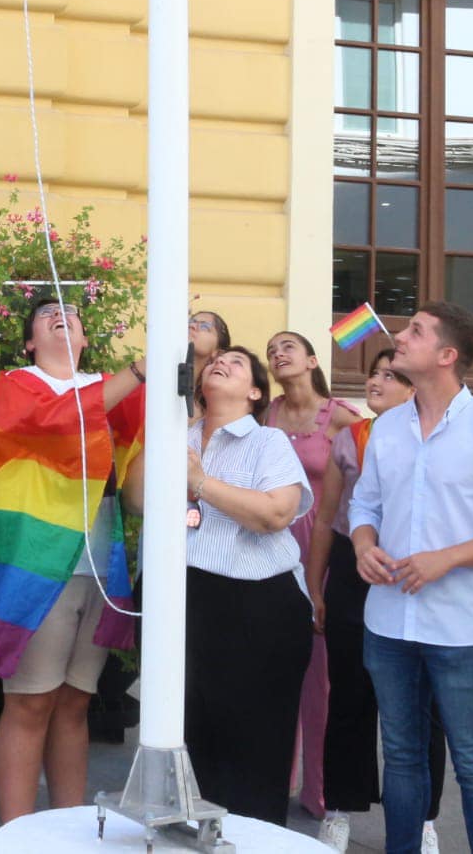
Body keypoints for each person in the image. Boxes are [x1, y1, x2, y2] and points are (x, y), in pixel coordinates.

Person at [349, 303, 473, 854]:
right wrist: (363, 545)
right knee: (401, 758)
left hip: (461, 629)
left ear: (447, 355)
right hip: (388, 622)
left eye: (416, 331)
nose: (400, 336)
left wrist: (446, 558)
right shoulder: (387, 428)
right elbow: (365, 504)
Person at [0, 295, 145, 824]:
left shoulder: (107, 388)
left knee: (75, 703)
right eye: (45, 314)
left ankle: (68, 831)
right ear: (30, 342)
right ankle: (16, 837)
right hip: (37, 566)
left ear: (85, 338)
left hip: (100, 567)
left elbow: (148, 427)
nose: (59, 315)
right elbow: (59, 418)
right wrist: (140, 370)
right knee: (29, 703)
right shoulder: (18, 383)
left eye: (70, 313)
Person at [307, 347, 446, 854]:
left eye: (391, 375)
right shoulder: (352, 437)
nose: (376, 382)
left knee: (423, 701)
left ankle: (423, 817)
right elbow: (326, 518)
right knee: (350, 693)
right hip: (354, 566)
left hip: (416, 567)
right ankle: (339, 809)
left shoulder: (437, 437)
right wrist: (316, 585)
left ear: (413, 388)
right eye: (373, 374)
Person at [181, 344, 314, 824]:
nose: (221, 362)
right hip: (187, 596)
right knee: (191, 736)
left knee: (255, 745)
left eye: (236, 363)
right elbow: (136, 500)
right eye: (217, 361)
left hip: (259, 605)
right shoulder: (178, 435)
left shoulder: (267, 442)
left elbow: (276, 513)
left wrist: (200, 483)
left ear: (256, 393)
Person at [265, 330, 360, 821]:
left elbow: (373, 472)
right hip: (269, 547)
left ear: (311, 360)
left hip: (319, 550)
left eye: (288, 347)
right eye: (271, 350)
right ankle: (275, 776)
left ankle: (320, 790)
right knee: (275, 666)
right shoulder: (265, 415)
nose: (278, 354)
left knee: (319, 677)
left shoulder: (340, 417)